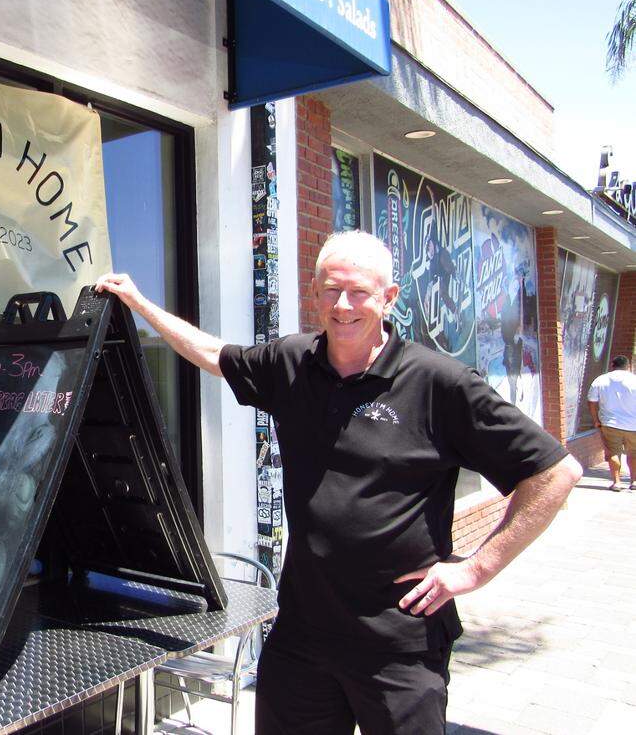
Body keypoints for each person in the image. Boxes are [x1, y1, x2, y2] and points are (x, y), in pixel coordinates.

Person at [96, 230, 582, 735]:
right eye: (331, 289)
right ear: (314, 292)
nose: (343, 305)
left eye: (359, 292)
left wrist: (477, 568)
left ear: (389, 298)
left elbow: (555, 473)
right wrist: (137, 302)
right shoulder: (292, 363)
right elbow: (214, 355)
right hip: (301, 637)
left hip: (399, 645)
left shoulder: (440, 384)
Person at [587, 355, 636, 492]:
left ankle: (617, 482)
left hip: (610, 423)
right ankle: (634, 481)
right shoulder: (634, 379)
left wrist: (596, 420)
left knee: (613, 452)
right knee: (634, 454)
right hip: (633, 425)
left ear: (612, 365)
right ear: (628, 366)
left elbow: (591, 401)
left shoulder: (601, 380)